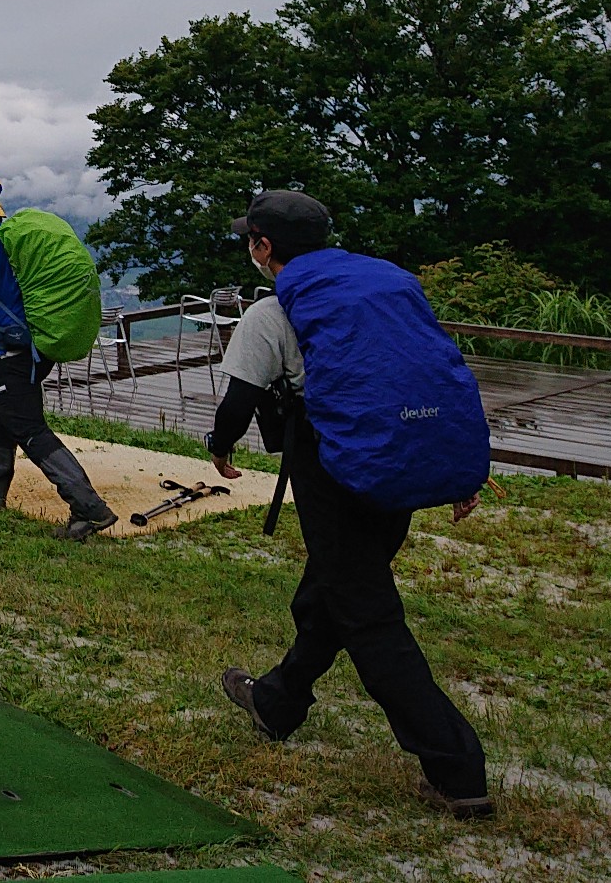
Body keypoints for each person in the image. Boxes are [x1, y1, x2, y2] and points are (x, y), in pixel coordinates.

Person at [205, 190, 493, 818]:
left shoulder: (271, 312)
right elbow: (430, 371)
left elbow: (237, 403)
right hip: (396, 452)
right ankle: (278, 702)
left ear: (263, 247)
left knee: (366, 613)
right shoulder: (379, 293)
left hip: (330, 462)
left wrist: (220, 448)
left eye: (249, 240)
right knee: (334, 588)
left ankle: (456, 771)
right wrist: (456, 466)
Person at [0, 170, 118, 541]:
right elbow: (5, 297)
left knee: (27, 425)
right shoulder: (2, 237)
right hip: (23, 342)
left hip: (17, 350)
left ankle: (89, 508)